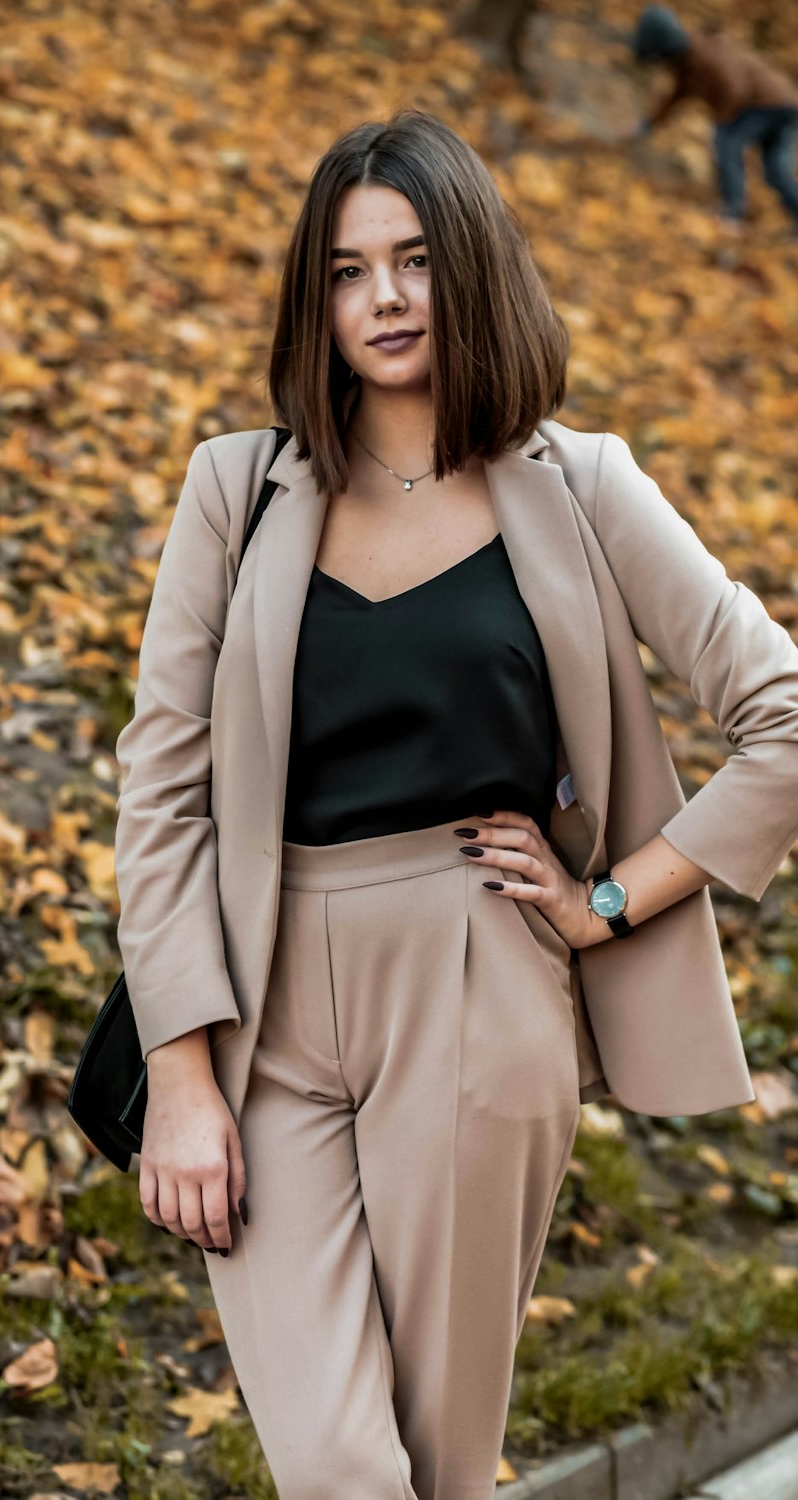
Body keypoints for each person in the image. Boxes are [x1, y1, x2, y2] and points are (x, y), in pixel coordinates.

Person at [112, 109, 798, 1500]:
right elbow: (162, 787)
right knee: (337, 1463)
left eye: (415, 260)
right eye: (349, 269)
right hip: (261, 1003)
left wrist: (609, 900)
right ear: (317, 295)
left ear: (470, 270)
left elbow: (782, 713)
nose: (382, 299)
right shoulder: (236, 493)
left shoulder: (580, 486)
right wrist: (179, 1071)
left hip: (480, 978)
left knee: (433, 1466)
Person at [629, 5, 798, 230]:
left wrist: (722, 119)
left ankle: (733, 212)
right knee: (776, 171)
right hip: (786, 102)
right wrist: (649, 124)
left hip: (768, 104)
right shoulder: (691, 58)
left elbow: (736, 87)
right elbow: (676, 97)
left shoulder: (702, 56)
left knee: (727, 142)